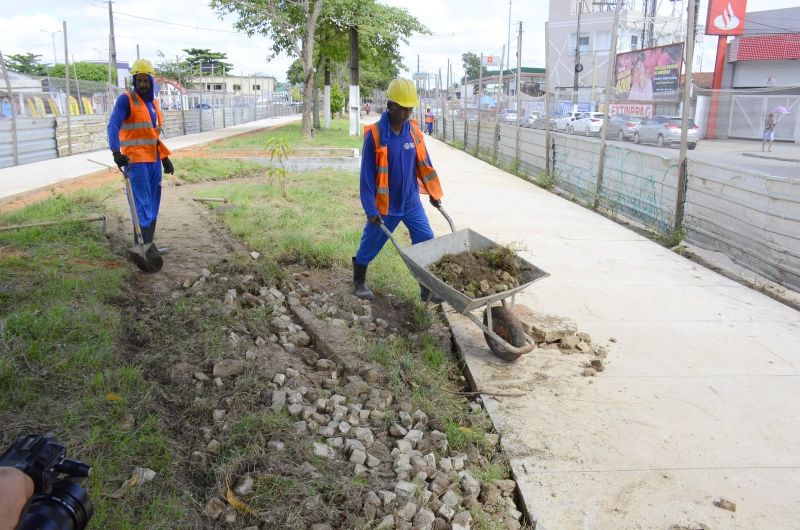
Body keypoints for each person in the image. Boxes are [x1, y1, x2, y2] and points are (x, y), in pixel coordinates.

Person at [352, 78, 443, 301]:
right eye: (402, 109)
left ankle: (426, 289)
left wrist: (434, 193)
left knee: (425, 239)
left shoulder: (413, 132)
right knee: (370, 244)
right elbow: (366, 176)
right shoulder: (375, 135)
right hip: (386, 205)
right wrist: (370, 209)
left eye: (409, 109)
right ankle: (359, 282)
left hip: (411, 203)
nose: (406, 114)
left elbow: (425, 163)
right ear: (390, 106)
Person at [107, 58, 174, 247]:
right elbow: (113, 125)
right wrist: (115, 152)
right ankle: (140, 246)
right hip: (135, 162)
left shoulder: (153, 104)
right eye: (140, 80)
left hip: (153, 161)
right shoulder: (126, 100)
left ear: (151, 82)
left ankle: (148, 245)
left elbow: (151, 135)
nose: (143, 84)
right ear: (134, 82)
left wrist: (164, 158)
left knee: (153, 202)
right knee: (141, 203)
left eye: (146, 80)